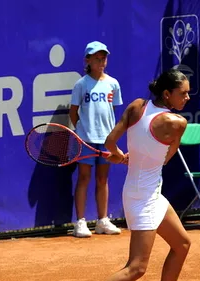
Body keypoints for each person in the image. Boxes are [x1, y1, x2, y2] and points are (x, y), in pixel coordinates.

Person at [104, 69, 192, 281]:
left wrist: (119, 156)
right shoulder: (177, 123)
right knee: (136, 268)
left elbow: (110, 143)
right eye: (183, 93)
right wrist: (134, 157)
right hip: (144, 197)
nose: (187, 98)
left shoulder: (137, 106)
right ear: (167, 94)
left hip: (143, 191)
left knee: (182, 244)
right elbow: (164, 159)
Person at [69, 41, 123, 238]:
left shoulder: (113, 84)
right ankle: (81, 222)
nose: (101, 61)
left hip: (106, 140)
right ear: (87, 60)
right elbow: (73, 112)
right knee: (84, 178)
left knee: (103, 179)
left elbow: (112, 112)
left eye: (104, 58)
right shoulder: (81, 84)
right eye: (97, 58)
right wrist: (83, 131)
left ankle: (102, 221)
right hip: (86, 139)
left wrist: (109, 136)